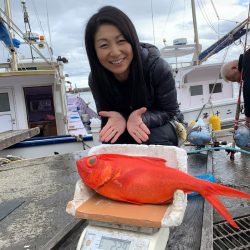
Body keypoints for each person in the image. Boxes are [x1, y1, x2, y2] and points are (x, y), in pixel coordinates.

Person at [84, 6, 184, 146]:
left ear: (132, 41)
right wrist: (119, 119)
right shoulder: (95, 79)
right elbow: (106, 116)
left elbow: (171, 112)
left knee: (149, 136)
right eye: (104, 45)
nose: (115, 52)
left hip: (165, 126)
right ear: (93, 51)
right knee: (113, 139)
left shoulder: (158, 68)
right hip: (128, 126)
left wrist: (143, 119)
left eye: (121, 41)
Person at [220, 48, 250, 127]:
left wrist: (247, 119)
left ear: (234, 68)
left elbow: (248, 90)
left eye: (234, 79)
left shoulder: (246, 61)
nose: (238, 81)